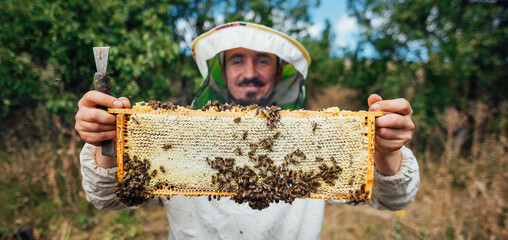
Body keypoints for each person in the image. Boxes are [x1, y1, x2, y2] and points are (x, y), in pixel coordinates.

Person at [76, 22, 419, 239]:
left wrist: (387, 152)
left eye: (263, 60)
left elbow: (394, 199)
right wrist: (107, 141)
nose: (250, 72)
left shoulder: (313, 138)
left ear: (280, 71)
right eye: (237, 60)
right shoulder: (175, 137)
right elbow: (106, 199)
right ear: (222, 72)